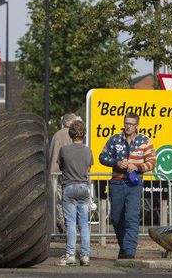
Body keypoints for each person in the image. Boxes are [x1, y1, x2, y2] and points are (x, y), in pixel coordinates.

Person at [99, 112, 156, 259]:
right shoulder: (114, 139)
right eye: (126, 123)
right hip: (116, 183)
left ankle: (129, 252)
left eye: (131, 124)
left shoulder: (145, 141)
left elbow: (152, 161)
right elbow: (102, 157)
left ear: (137, 125)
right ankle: (124, 247)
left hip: (134, 184)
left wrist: (137, 167)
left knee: (132, 217)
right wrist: (116, 163)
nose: (128, 126)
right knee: (116, 218)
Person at [56, 120, 93, 267]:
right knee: (84, 224)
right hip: (83, 187)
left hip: (69, 187)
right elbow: (88, 169)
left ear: (70, 134)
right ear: (84, 134)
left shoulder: (64, 150)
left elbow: (61, 166)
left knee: (71, 223)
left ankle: (70, 255)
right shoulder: (87, 150)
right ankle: (85, 256)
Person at [50, 113, 78, 233]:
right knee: (70, 199)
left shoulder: (56, 135)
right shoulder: (73, 135)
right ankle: (68, 225)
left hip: (54, 172)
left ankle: (60, 220)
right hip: (69, 172)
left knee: (58, 199)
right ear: (70, 122)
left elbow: (51, 152)